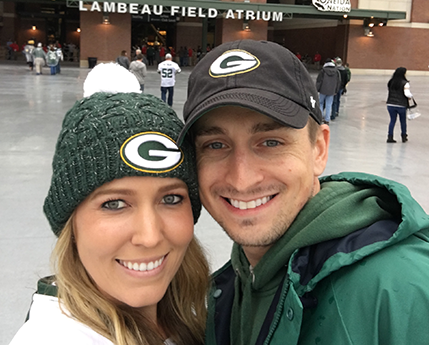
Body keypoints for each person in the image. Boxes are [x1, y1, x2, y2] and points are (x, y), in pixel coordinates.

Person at [177, 39, 429, 345]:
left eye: (271, 142)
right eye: (215, 145)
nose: (242, 179)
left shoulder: (402, 288)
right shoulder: (233, 285)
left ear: (319, 149)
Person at [9, 63, 209, 345]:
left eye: (171, 198)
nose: (149, 237)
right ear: (71, 221)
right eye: (114, 204)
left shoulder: (195, 310)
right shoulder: (53, 336)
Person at [386, 67, 413, 143]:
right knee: (403, 121)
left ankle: (390, 136)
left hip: (390, 104)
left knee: (392, 120)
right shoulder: (405, 83)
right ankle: (404, 136)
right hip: (401, 105)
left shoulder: (391, 82)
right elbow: (407, 94)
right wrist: (410, 96)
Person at [316, 58, 341, 124]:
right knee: (329, 104)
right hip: (332, 91)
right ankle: (327, 119)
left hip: (323, 90)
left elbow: (319, 80)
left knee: (320, 103)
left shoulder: (323, 71)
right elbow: (338, 81)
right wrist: (336, 90)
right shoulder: (336, 71)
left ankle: (320, 117)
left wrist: (317, 88)